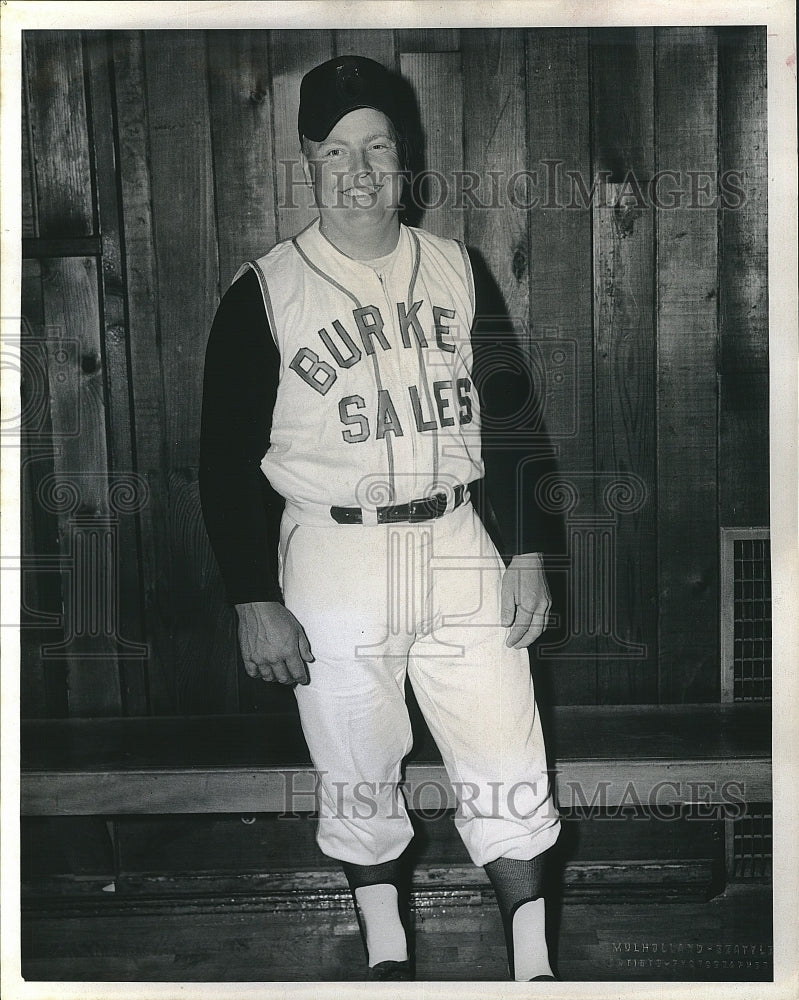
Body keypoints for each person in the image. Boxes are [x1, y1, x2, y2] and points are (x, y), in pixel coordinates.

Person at [199, 54, 561, 982]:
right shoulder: (266, 290)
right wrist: (252, 597)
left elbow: (514, 426)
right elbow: (223, 465)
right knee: (357, 763)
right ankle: (387, 954)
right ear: (309, 166)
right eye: (334, 152)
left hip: (456, 539)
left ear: (406, 163)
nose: (357, 171)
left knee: (507, 750)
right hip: (332, 549)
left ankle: (535, 965)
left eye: (377, 148)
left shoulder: (457, 267)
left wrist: (526, 552)